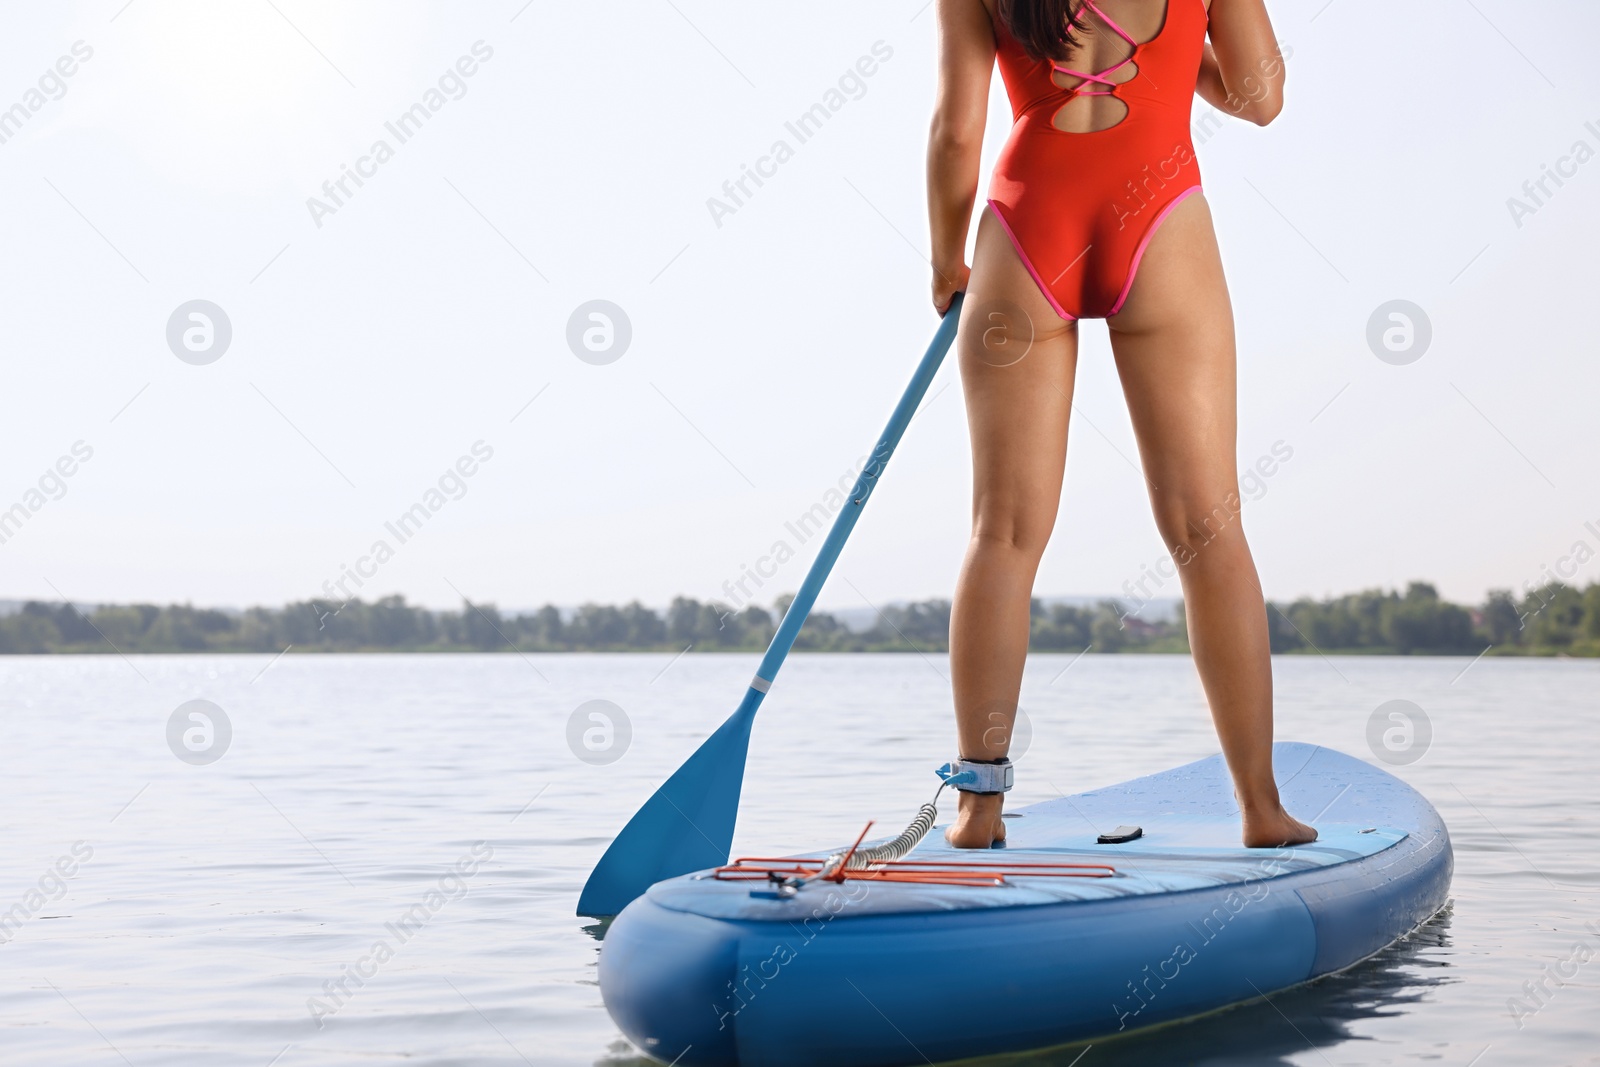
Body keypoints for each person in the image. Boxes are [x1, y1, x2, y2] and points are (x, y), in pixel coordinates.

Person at [927, 0, 1317, 848]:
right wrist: (1176, 64)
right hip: (1159, 211)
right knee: (1207, 528)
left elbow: (957, 132)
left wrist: (945, 258)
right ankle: (1260, 807)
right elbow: (1260, 96)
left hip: (1027, 223)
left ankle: (976, 809)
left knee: (1002, 532)